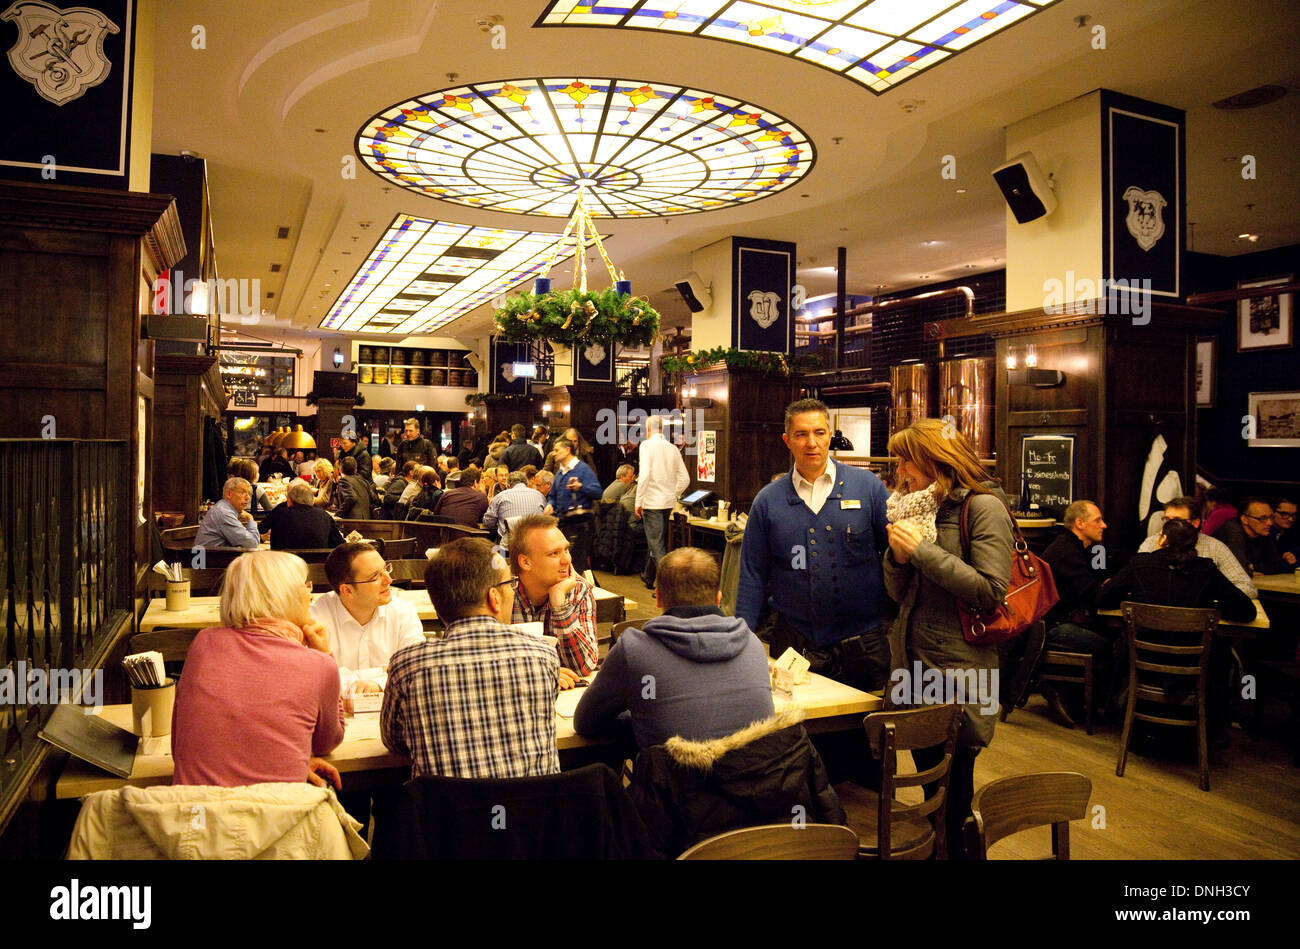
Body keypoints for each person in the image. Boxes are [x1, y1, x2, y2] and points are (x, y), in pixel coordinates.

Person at [881, 417, 1014, 860]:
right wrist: (898, 560)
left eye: (906, 459)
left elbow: (991, 592)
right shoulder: (917, 507)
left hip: (960, 672)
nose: (899, 469)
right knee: (929, 789)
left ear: (934, 460)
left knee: (954, 792)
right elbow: (899, 594)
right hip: (913, 665)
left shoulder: (983, 507)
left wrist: (921, 551)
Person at [737, 398, 891, 693]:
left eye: (819, 433)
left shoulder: (868, 488)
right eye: (801, 434)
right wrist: (742, 637)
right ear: (787, 440)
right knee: (794, 727)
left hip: (863, 642)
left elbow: (895, 557)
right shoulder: (768, 501)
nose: (812, 443)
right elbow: (752, 574)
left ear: (830, 435)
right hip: (794, 642)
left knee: (861, 733)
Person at [381, 539, 560, 778]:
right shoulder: (543, 655)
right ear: (494, 598)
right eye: (510, 584)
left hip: (451, 814)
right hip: (534, 812)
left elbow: (395, 741)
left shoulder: (408, 667)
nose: (513, 591)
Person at [172, 551, 343, 788]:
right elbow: (327, 742)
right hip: (278, 818)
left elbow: (182, 745)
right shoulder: (319, 663)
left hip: (195, 816)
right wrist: (326, 655)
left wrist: (285, 761)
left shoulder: (203, 643)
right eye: (305, 586)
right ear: (284, 595)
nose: (311, 595)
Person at [574, 547, 774, 749]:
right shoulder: (752, 644)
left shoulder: (634, 651)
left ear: (658, 597)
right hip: (751, 778)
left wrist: (644, 715)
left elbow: (585, 723)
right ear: (719, 598)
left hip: (675, 779)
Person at [1098, 518, 1256, 736]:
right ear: (1194, 545)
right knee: (1225, 654)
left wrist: (1130, 596)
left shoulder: (1140, 565)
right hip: (1195, 668)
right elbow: (1247, 611)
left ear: (1161, 540)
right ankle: (1211, 728)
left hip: (1144, 662)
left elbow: (1102, 599)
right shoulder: (1207, 570)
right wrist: (1214, 606)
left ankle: (1127, 718)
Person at [1038, 500, 1121, 726]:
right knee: (1114, 646)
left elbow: (1097, 581)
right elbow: (1093, 595)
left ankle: (1088, 701)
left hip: (1060, 621)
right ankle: (1065, 692)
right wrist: (1114, 585)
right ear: (1080, 524)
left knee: (1111, 638)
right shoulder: (1066, 551)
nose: (1104, 525)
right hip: (1050, 628)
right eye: (1098, 521)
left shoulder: (1083, 548)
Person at [310, 542, 424, 694]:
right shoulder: (315, 617)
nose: (389, 580)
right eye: (375, 576)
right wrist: (384, 671)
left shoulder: (403, 611)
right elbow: (312, 677)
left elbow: (417, 668)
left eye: (386, 569)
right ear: (347, 590)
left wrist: (377, 684)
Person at [508, 514, 597, 681]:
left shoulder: (578, 590)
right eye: (554, 553)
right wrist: (541, 672)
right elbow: (479, 661)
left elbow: (582, 667)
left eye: (566, 549)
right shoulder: (499, 592)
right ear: (525, 562)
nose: (567, 560)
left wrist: (559, 602)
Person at [1138, 497, 1257, 598]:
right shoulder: (1151, 543)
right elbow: (1135, 579)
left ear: (1195, 523)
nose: (1170, 526)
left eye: (1177, 521)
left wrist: (1207, 596)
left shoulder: (1215, 548)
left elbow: (1247, 587)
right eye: (1167, 520)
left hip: (1200, 620)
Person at [635, 414, 690, 589]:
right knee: (657, 541)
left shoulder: (646, 445)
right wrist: (673, 494)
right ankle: (648, 577)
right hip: (667, 503)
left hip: (651, 502)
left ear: (648, 429)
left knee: (657, 545)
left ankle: (668, 586)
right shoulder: (673, 448)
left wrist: (639, 501)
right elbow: (685, 479)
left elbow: (644, 476)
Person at [545, 436, 602, 573]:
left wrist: (580, 486)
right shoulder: (560, 473)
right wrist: (550, 504)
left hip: (581, 524)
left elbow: (598, 492)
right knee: (569, 563)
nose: (554, 453)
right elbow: (552, 495)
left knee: (576, 563)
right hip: (565, 524)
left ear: (567, 450)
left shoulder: (583, 469)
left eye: (557, 450)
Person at [1213, 498, 1291, 575]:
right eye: (1263, 518)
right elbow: (1238, 569)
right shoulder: (1232, 530)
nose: (1269, 523)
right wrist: (1248, 569)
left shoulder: (1262, 532)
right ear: (1244, 519)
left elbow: (1277, 565)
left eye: (1271, 517)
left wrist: (1251, 567)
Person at [267, 479, 346, 550]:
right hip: (317, 564)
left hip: (286, 563)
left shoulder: (279, 514)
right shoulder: (324, 516)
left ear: (289, 501)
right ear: (312, 501)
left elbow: (271, 543)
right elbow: (340, 544)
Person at [195, 477, 262, 550]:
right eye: (243, 492)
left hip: (215, 558)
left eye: (249, 493)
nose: (247, 497)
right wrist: (250, 519)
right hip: (209, 560)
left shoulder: (223, 508)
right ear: (229, 494)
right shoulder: (224, 513)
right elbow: (252, 544)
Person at [483, 470, 546, 542]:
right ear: (526, 484)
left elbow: (488, 522)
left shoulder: (500, 496)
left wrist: (500, 522)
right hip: (536, 542)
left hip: (510, 546)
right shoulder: (540, 496)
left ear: (508, 486)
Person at [1269, 496, 1299, 565]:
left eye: (1293, 515)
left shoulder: (1292, 532)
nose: (1291, 519)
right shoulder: (1264, 533)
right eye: (1284, 514)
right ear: (1272, 512)